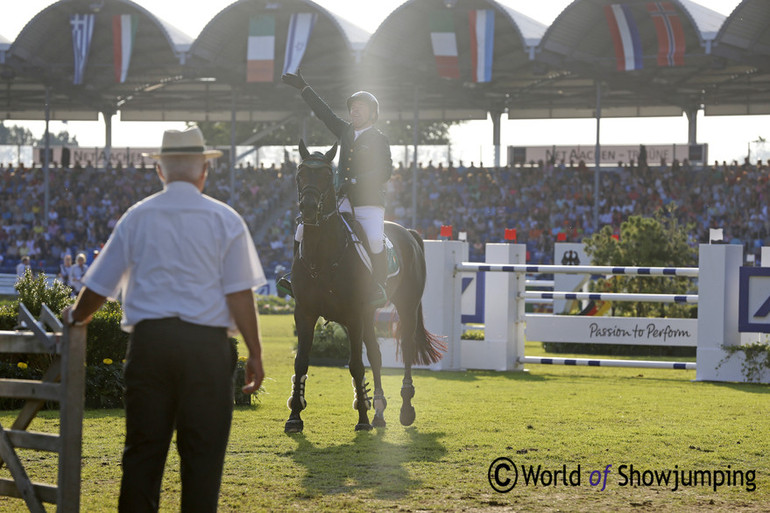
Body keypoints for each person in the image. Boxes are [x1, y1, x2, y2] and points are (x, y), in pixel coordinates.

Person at [61, 126, 267, 513]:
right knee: (203, 461)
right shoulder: (226, 219)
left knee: (143, 455)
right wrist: (254, 352)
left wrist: (75, 317)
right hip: (207, 349)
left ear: (160, 170)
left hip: (151, 346)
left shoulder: (137, 217)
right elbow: (240, 293)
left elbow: (100, 287)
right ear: (204, 170)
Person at [280, 68, 393, 305]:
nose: (354, 110)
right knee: (303, 229)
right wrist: (304, 88)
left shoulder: (379, 138)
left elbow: (385, 171)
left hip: (368, 201)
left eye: (360, 106)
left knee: (373, 239)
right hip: (342, 200)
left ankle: (378, 287)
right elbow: (324, 113)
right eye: (352, 107)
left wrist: (357, 181)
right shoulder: (345, 131)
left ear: (372, 113)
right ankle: (295, 278)